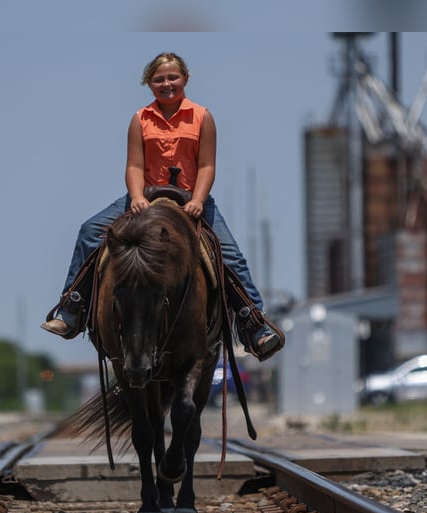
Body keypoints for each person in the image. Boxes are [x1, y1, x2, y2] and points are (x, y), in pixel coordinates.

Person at [41, 52, 282, 361]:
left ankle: (254, 324)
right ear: (149, 84)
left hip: (192, 201)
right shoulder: (140, 119)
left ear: (185, 79)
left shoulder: (201, 117)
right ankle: (72, 307)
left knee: (230, 255)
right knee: (90, 231)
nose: (167, 84)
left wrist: (197, 199)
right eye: (159, 80)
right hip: (145, 199)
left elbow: (207, 165)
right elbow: (133, 166)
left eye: (172, 78)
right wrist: (137, 196)